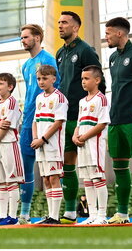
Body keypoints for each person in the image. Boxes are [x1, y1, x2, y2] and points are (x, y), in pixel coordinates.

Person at [55, 11, 101, 222]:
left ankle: (98, 213)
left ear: (76, 27)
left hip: (82, 116)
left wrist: (93, 111)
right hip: (64, 116)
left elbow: (99, 81)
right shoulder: (59, 53)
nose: (60, 25)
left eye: (64, 22)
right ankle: (71, 212)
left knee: (90, 166)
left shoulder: (85, 51)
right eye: (59, 22)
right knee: (67, 165)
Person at [105, 17, 132, 223]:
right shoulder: (113, 58)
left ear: (120, 33)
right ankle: (122, 214)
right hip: (115, 120)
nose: (106, 37)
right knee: (119, 168)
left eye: (108, 33)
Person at [18, 23, 59, 224]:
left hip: (46, 122)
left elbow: (55, 89)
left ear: (37, 37)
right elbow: (28, 93)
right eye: (22, 37)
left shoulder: (48, 59)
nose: (23, 40)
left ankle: (59, 213)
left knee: (50, 170)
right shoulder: (25, 66)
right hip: (28, 121)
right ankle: (24, 214)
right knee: (25, 167)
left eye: (26, 37)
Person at [72, 65, 110, 225]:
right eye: (82, 79)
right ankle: (92, 214)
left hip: (95, 145)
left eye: (86, 78)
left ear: (97, 80)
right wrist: (75, 135)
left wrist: (83, 137)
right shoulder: (82, 101)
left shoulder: (101, 99)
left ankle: (102, 215)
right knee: (87, 180)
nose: (83, 81)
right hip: (82, 146)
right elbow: (79, 123)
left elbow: (101, 124)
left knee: (98, 178)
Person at [32, 64, 68, 225]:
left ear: (54, 79)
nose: (41, 81)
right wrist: (35, 138)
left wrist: (43, 139)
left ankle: (55, 216)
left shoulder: (59, 97)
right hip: (40, 146)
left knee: (54, 178)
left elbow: (58, 122)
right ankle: (50, 215)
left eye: (45, 78)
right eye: (39, 78)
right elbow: (35, 121)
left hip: (53, 145)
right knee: (46, 179)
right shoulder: (39, 98)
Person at [0, 72, 24, 225]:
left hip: (9, 143)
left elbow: (7, 125)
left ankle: (13, 216)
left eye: (1, 83)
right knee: (0, 181)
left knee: (11, 180)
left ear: (10, 87)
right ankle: (2, 215)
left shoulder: (12, 102)